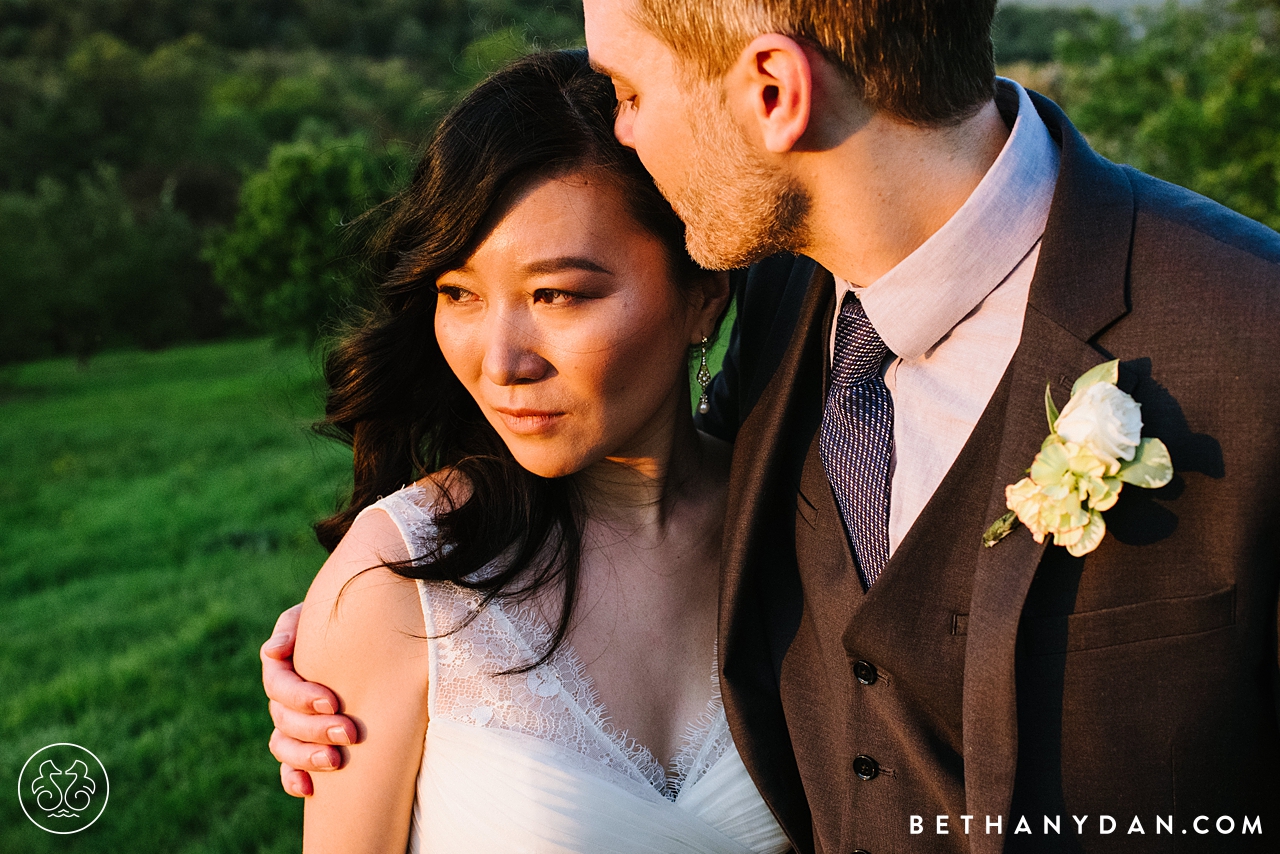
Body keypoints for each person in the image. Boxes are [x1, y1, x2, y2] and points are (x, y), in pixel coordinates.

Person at [265, 2, 1280, 852]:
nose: (616, 131)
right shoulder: (781, 312)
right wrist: (365, 631)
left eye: (627, 92)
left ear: (771, 90)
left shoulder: (1249, 339)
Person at [279, 48, 791, 853]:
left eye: (558, 295)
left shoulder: (801, 533)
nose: (501, 362)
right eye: (459, 293)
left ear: (703, 295)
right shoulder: (399, 579)